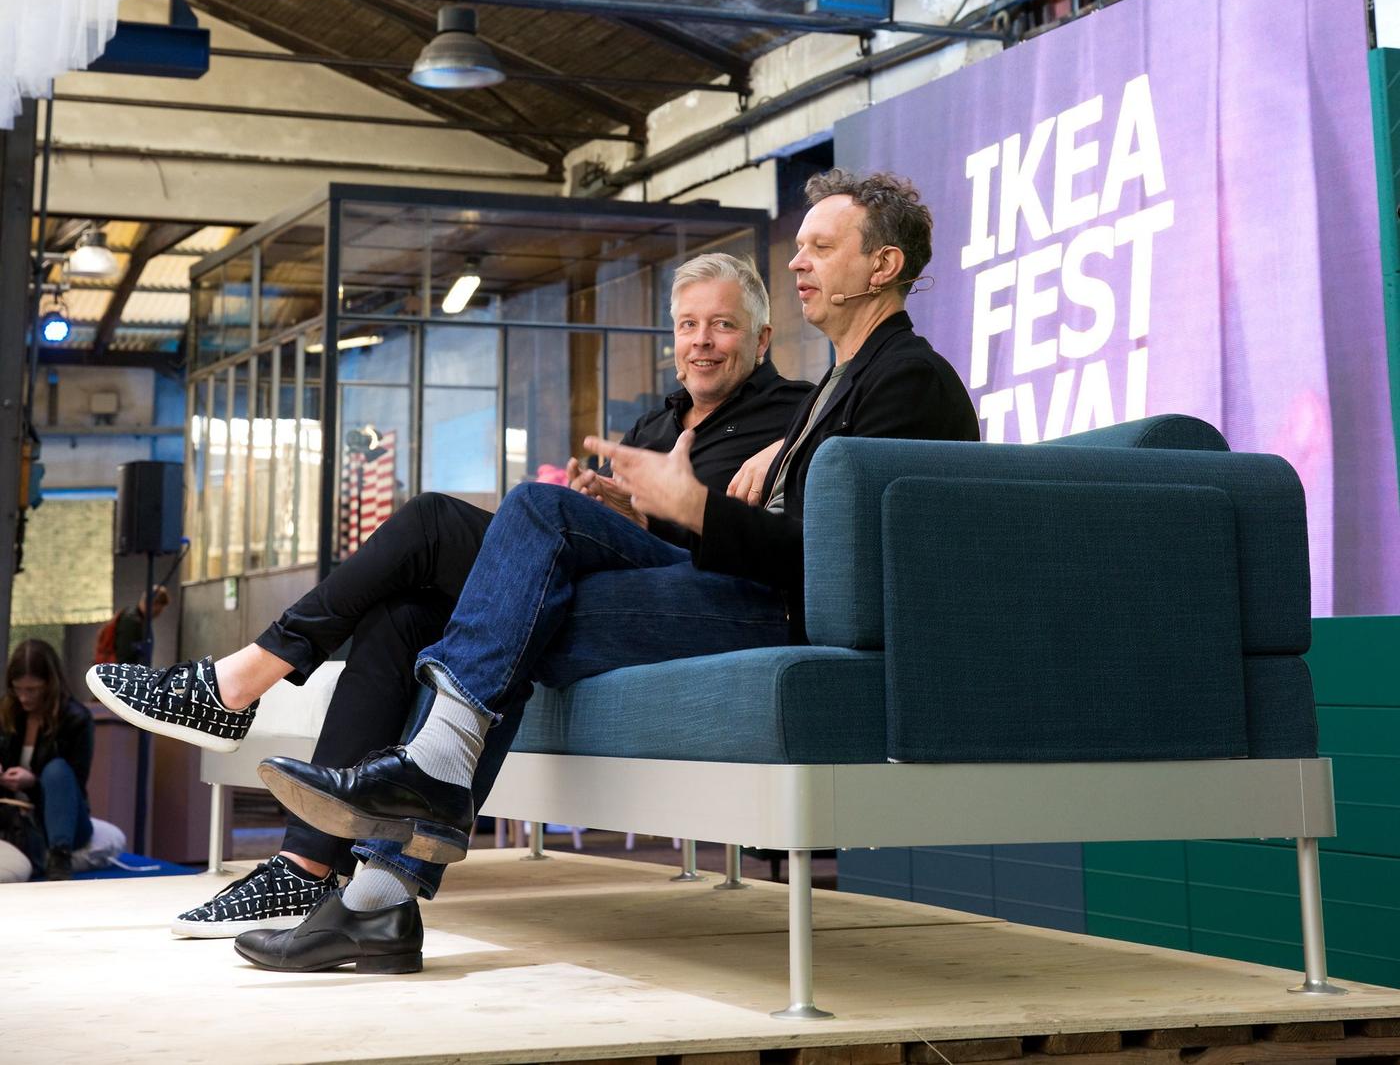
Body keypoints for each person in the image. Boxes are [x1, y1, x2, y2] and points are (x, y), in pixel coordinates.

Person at [241, 168, 978, 974]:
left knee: (534, 528)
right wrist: (667, 503)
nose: (798, 261)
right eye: (799, 246)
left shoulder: (908, 378)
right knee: (485, 593)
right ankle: (379, 897)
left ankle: (406, 818)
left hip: (782, 611)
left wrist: (692, 506)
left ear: (882, 266)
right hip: (749, 590)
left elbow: (838, 566)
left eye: (822, 248)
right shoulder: (836, 387)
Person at [88, 252, 809, 936]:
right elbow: (631, 527)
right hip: (611, 576)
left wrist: (694, 495)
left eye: (722, 325)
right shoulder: (656, 422)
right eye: (688, 324)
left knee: (465, 516)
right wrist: (615, 509)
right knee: (403, 617)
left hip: (693, 592)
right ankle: (304, 867)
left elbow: (769, 539)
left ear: (762, 338)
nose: (701, 341)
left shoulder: (795, 415)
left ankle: (237, 683)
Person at [1, 639, 95, 881]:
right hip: (11, 815)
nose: (23, 697)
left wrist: (33, 783)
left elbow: (73, 785)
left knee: (57, 770)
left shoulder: (76, 719)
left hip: (60, 819)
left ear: (49, 684)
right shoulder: (6, 712)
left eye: (32, 690)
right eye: (18, 689)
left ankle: (59, 859)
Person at [94, 584, 170, 666]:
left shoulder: (138, 621)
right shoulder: (131, 622)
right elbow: (123, 658)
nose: (159, 613)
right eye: (160, 609)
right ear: (154, 604)